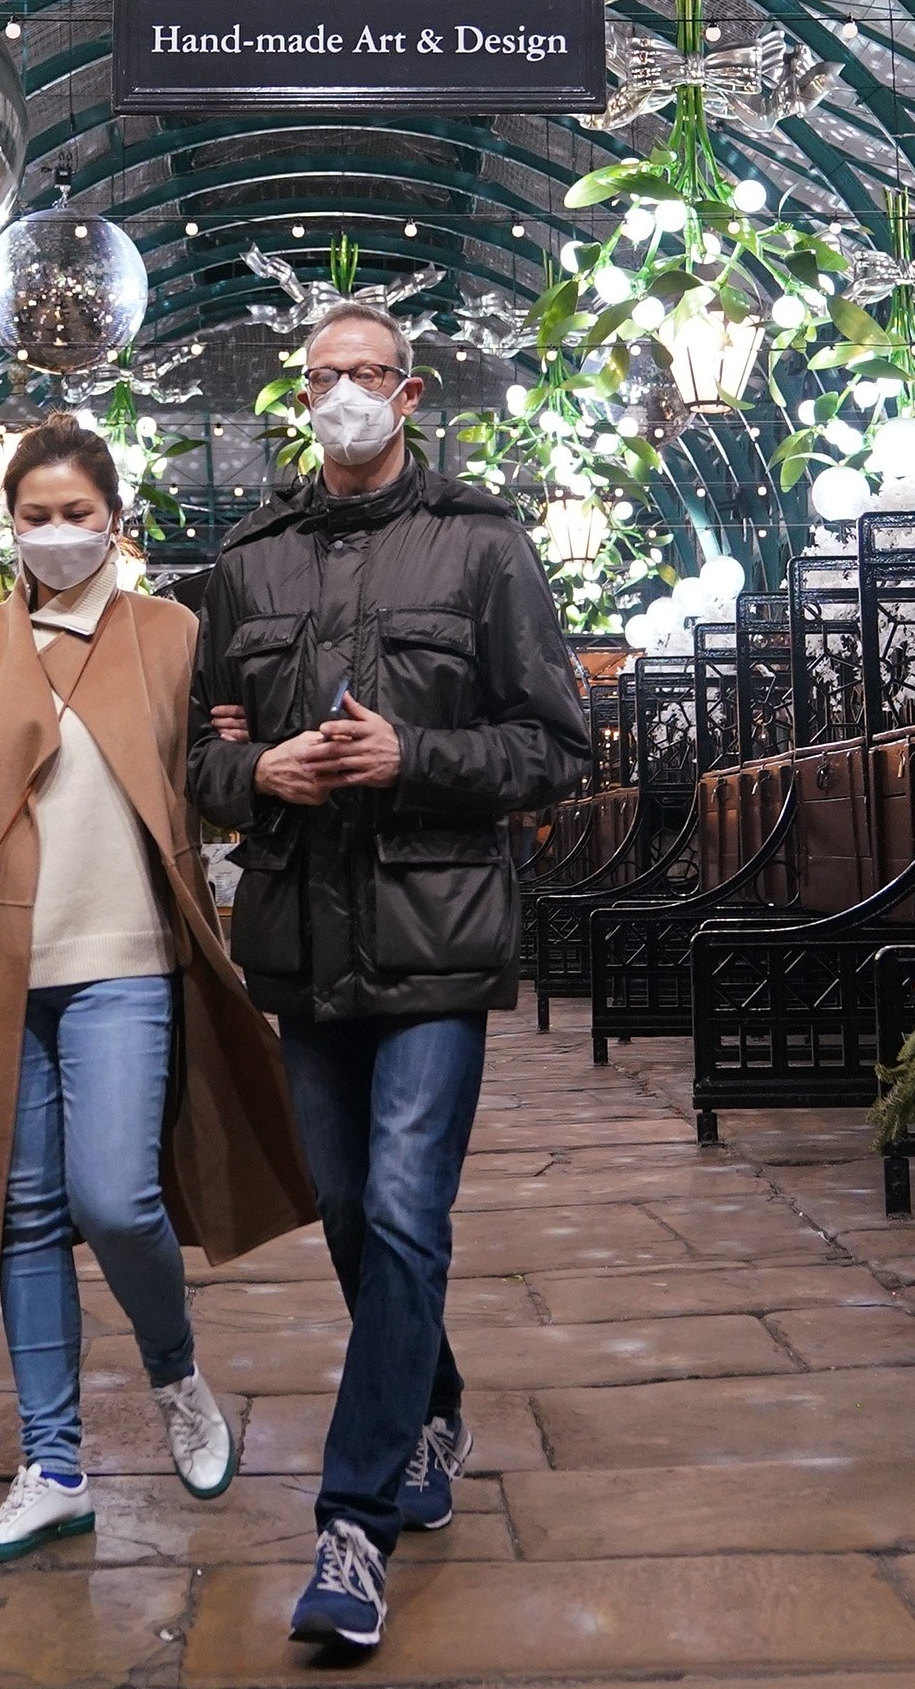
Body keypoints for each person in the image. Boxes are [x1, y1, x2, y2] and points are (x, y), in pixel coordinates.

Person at [0, 420, 316, 1564]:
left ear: (116, 521)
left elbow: (222, 774)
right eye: (34, 515)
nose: (55, 534)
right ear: (10, 525)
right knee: (26, 1219)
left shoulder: (174, 636)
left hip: (129, 964)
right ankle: (51, 1467)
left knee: (114, 1198)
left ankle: (174, 1371)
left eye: (75, 513)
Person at [188, 300, 594, 1652]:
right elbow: (193, 756)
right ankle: (430, 1401)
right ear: (297, 399)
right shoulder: (245, 562)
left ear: (410, 392)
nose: (345, 393)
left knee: (410, 1208)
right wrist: (259, 771)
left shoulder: (482, 543)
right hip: (303, 937)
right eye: (323, 377)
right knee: (355, 1211)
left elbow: (554, 743)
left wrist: (411, 755)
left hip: (436, 936)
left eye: (368, 373)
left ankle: (350, 1524)